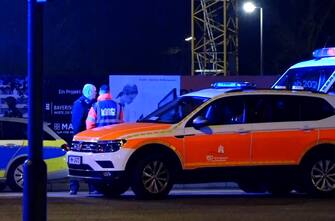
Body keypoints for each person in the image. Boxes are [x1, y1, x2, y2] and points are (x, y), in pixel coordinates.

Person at [70, 83, 97, 195]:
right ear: (89, 92)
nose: (96, 93)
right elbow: (77, 124)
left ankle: (92, 187)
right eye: (94, 91)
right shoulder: (80, 104)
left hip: (88, 138)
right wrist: (79, 138)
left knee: (89, 162)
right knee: (76, 161)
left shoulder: (91, 104)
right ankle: (74, 187)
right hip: (81, 138)